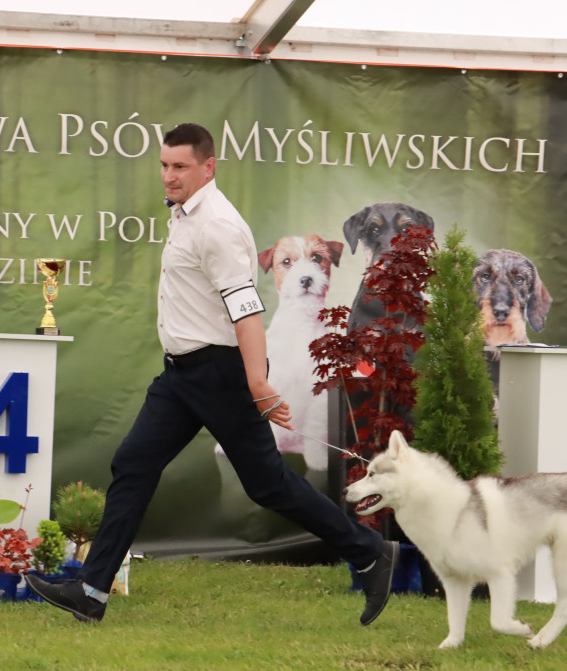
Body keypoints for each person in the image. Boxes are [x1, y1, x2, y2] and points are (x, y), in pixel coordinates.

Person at [27, 123, 397, 625]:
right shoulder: (185, 216)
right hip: (181, 376)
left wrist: (259, 384)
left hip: (220, 374)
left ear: (208, 166)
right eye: (164, 165)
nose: (169, 176)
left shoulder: (217, 226)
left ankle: (370, 551)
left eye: (180, 166)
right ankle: (91, 591)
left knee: (268, 485)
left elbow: (246, 311)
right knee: (133, 464)